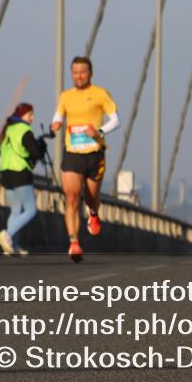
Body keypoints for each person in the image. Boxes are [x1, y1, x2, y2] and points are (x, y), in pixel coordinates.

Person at [51, 57, 120, 262]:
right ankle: (74, 242)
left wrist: (98, 131)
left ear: (90, 73)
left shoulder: (100, 94)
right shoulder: (66, 96)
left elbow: (116, 120)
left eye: (83, 72)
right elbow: (58, 115)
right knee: (71, 197)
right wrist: (55, 125)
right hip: (72, 153)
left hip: (94, 153)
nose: (78, 76)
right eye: (75, 72)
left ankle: (93, 212)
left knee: (90, 197)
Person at [0, 103, 46, 256]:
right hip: (20, 173)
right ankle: (7, 235)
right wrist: (41, 147)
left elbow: (0, 151)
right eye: (30, 114)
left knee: (16, 211)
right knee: (31, 210)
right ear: (22, 115)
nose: (32, 117)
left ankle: (12, 245)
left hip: (6, 173)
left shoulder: (8, 130)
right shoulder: (25, 130)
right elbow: (35, 153)